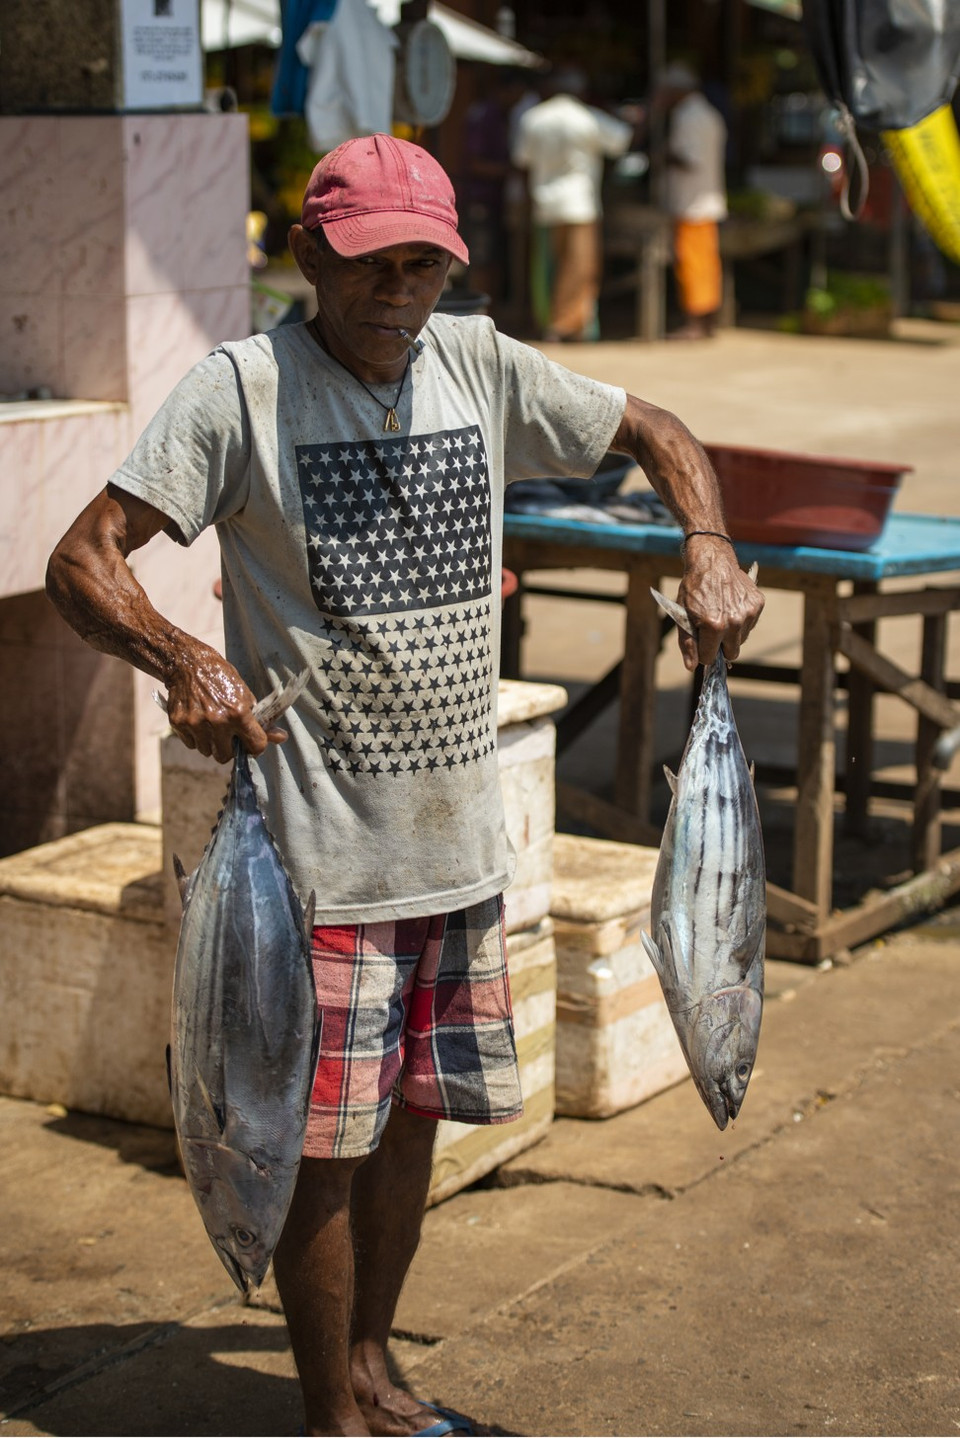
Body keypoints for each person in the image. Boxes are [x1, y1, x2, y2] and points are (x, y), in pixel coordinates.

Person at [45, 132, 764, 1437]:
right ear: (312, 253)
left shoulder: (480, 361)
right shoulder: (242, 389)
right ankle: (331, 1413)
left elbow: (658, 431)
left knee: (416, 1116)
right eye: (373, 262)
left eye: (425, 263)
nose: (398, 292)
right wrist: (182, 652)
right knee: (320, 1137)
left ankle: (377, 1372)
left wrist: (707, 542)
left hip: (460, 846)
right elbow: (85, 558)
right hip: (314, 854)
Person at [511, 66, 633, 341]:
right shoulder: (587, 117)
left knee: (546, 268)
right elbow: (622, 140)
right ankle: (568, 325)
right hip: (580, 203)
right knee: (579, 267)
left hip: (544, 203)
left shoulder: (534, 118)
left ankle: (546, 321)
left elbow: (522, 162)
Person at [654, 62, 729, 339]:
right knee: (706, 264)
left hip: (692, 202)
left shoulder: (689, 117)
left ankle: (696, 323)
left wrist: (663, 154)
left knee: (693, 264)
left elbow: (690, 159)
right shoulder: (709, 114)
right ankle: (705, 321)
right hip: (701, 201)